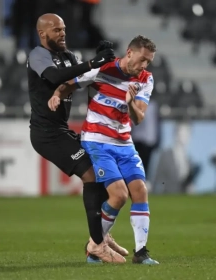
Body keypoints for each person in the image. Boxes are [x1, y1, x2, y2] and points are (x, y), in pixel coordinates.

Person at [49, 35, 160, 265]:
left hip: (124, 142)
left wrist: (129, 103)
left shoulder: (145, 79)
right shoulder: (103, 69)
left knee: (140, 191)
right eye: (141, 60)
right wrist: (57, 94)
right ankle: (96, 245)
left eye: (148, 62)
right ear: (129, 52)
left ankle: (140, 252)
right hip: (97, 141)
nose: (144, 66)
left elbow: (138, 118)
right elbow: (70, 83)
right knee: (119, 195)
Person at [27, 13, 127, 263]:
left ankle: (100, 235)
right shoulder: (37, 55)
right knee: (92, 173)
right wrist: (93, 61)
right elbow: (54, 77)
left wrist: (104, 62)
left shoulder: (69, 57)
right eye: (56, 30)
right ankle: (98, 242)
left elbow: (84, 77)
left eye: (63, 29)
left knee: (102, 174)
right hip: (46, 134)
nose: (62, 33)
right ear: (43, 34)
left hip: (61, 130)